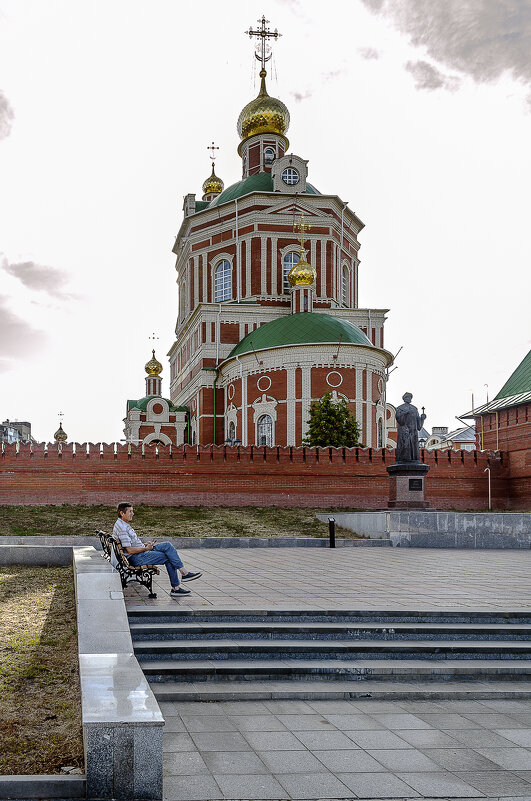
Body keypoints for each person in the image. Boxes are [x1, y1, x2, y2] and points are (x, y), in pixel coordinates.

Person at [113, 503, 201, 596]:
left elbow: (130, 545)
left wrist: (144, 545)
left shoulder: (122, 524)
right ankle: (177, 586)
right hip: (136, 557)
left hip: (140, 551)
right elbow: (130, 550)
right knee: (168, 557)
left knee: (167, 545)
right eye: (130, 511)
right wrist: (145, 548)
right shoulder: (122, 528)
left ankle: (183, 574)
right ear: (122, 513)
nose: (133, 513)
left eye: (132, 511)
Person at [395, 392, 426, 463]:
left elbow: (419, 426)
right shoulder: (399, 408)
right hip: (404, 431)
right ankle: (403, 460)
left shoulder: (414, 409)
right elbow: (399, 419)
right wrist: (405, 413)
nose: (408, 398)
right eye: (406, 397)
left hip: (413, 431)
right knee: (405, 446)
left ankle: (414, 459)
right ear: (404, 399)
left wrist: (422, 419)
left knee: (413, 447)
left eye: (409, 397)